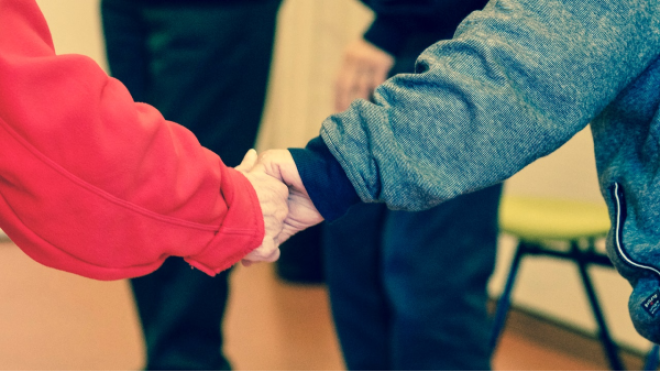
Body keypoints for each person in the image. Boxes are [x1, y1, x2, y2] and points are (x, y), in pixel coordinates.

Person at [255, 0, 660, 345]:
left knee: (426, 287)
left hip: (455, 49)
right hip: (418, 49)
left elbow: (517, 74)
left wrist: (326, 171)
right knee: (359, 276)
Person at [0, 0, 285, 280]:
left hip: (217, 11)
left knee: (162, 197)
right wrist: (231, 205)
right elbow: (45, 132)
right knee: (152, 206)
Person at [100, 0, 281, 369]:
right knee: (137, 176)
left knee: (192, 189)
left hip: (217, 14)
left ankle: (187, 360)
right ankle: (170, 357)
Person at [324, 0, 499, 370]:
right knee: (354, 253)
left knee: (429, 279)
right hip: (402, 42)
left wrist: (387, 28)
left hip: (463, 49)